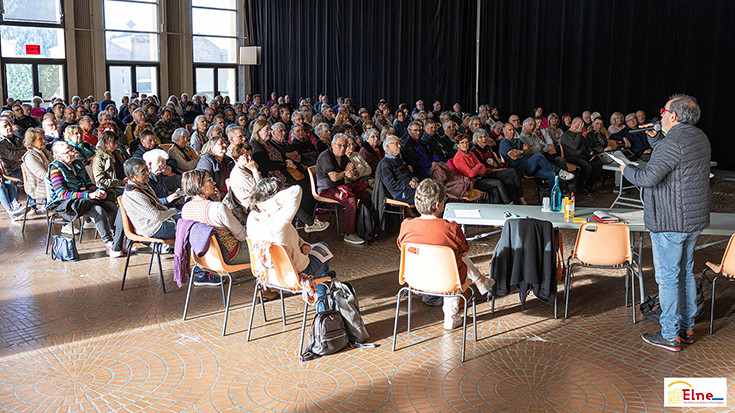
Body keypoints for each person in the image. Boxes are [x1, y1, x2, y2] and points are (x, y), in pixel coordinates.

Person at [621, 94, 710, 352]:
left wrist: (625, 168)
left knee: (668, 278)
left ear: (673, 116)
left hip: (671, 220)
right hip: (692, 219)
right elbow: (675, 159)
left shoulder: (674, 142)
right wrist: (655, 138)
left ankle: (670, 334)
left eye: (663, 111)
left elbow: (648, 177)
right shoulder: (698, 137)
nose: (659, 116)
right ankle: (687, 327)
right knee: (685, 272)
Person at [397, 179, 494, 330]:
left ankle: (480, 281)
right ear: (438, 205)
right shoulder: (450, 228)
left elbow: (401, 247)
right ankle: (452, 314)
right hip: (446, 281)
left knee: (454, 261)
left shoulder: (406, 226)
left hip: (414, 279)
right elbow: (464, 251)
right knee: (458, 262)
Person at [247, 178, 332, 282]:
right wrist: (268, 203)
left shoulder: (252, 218)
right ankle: (322, 290)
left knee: (314, 249)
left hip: (269, 276)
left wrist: (302, 243)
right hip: (296, 275)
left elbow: (286, 236)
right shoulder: (280, 220)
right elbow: (296, 190)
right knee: (323, 246)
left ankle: (323, 280)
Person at [46, 141, 121, 257]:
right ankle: (109, 243)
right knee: (98, 210)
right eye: (68, 151)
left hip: (83, 198)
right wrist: (88, 195)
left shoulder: (78, 164)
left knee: (111, 206)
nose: (72, 153)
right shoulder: (55, 168)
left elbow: (88, 184)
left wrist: (97, 191)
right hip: (65, 203)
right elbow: (62, 194)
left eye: (72, 150)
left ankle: (118, 241)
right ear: (59, 156)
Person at [181, 170, 250, 286]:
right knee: (272, 244)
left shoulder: (186, 208)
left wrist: (217, 202)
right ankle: (272, 287)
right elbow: (242, 236)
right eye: (210, 180)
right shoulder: (217, 208)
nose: (214, 183)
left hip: (205, 258)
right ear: (199, 185)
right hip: (231, 255)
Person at [315, 133, 370, 244]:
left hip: (340, 187)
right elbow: (334, 177)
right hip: (326, 189)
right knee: (350, 201)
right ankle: (349, 233)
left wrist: (352, 173)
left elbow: (353, 172)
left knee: (365, 194)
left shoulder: (343, 156)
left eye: (345, 146)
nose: (343, 148)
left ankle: (366, 227)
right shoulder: (326, 156)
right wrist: (345, 173)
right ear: (332, 144)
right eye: (339, 145)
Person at [498, 123, 574, 190]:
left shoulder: (518, 141)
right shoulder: (504, 143)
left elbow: (529, 151)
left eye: (513, 129)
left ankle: (553, 200)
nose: (513, 132)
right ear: (504, 132)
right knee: (537, 155)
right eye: (510, 130)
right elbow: (514, 157)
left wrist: (521, 152)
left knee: (552, 174)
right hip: (520, 168)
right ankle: (559, 172)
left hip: (531, 164)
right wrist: (522, 151)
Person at [120, 157, 178, 242]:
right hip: (154, 228)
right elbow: (156, 216)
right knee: (191, 225)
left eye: (147, 169)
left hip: (161, 221)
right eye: (143, 172)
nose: (148, 173)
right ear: (132, 177)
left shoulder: (142, 184)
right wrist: (174, 212)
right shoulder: (134, 194)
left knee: (191, 216)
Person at [560, 118, 603, 193]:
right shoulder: (566, 135)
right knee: (587, 167)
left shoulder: (580, 135)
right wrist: (579, 132)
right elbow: (575, 146)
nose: (580, 126)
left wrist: (591, 152)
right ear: (573, 123)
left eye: (582, 125)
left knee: (598, 164)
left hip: (583, 156)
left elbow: (586, 145)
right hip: (572, 157)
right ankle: (579, 186)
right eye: (578, 124)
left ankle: (588, 185)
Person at [376, 135, 418, 204]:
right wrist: (409, 183)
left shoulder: (399, 159)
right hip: (401, 193)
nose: (399, 146)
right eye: (396, 144)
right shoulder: (384, 164)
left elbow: (409, 173)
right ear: (387, 146)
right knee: (430, 198)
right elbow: (392, 185)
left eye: (400, 144)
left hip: (411, 187)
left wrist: (414, 179)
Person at [21, 128, 53, 213]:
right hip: (38, 186)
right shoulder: (30, 156)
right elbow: (42, 174)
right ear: (32, 141)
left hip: (49, 181)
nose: (44, 141)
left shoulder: (46, 152)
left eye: (44, 138)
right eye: (40, 139)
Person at [92, 130, 129, 195]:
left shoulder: (118, 153)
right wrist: (120, 182)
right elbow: (100, 182)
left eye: (116, 143)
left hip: (125, 183)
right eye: (113, 144)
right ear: (105, 143)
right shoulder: (99, 159)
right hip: (113, 188)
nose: (116, 146)